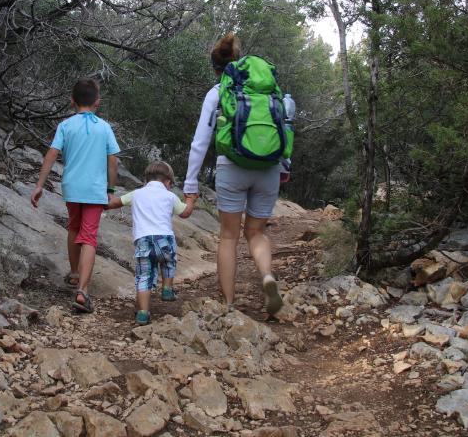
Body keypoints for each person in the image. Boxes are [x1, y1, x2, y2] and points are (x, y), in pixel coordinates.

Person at [183, 33, 284, 315]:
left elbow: (200, 142)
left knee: (229, 236)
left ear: (215, 67)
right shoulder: (267, 91)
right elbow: (283, 127)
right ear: (238, 61)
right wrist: (284, 166)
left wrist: (190, 183)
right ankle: (267, 275)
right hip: (268, 167)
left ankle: (229, 304)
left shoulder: (217, 93)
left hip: (232, 167)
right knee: (256, 233)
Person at [31, 78, 119, 313]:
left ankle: (73, 273)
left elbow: (52, 154)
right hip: (95, 190)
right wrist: (111, 190)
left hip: (72, 187)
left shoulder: (65, 126)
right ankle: (82, 291)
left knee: (73, 227)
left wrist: (39, 185)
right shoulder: (105, 127)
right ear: (97, 102)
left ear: (72, 101)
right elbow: (113, 161)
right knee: (89, 236)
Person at [107, 161, 194, 325]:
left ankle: (142, 314)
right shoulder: (170, 196)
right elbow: (185, 213)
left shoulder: (136, 194)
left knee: (144, 277)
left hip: (143, 241)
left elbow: (112, 204)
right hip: (164, 239)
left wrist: (107, 197)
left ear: (146, 180)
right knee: (168, 263)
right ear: (168, 182)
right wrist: (190, 200)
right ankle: (167, 289)